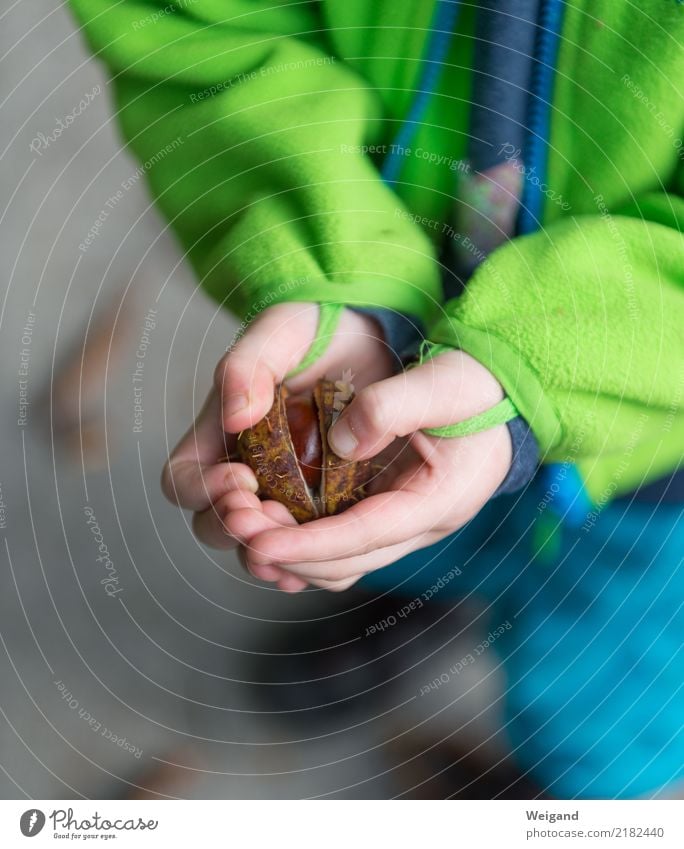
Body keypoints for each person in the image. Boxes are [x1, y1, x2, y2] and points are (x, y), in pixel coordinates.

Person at [69, 0, 684, 798]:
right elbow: (194, 36)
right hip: (400, 373)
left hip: (652, 451)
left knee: (605, 689)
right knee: (406, 535)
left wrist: (539, 369)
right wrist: (340, 274)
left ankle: (567, 791)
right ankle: (414, 598)